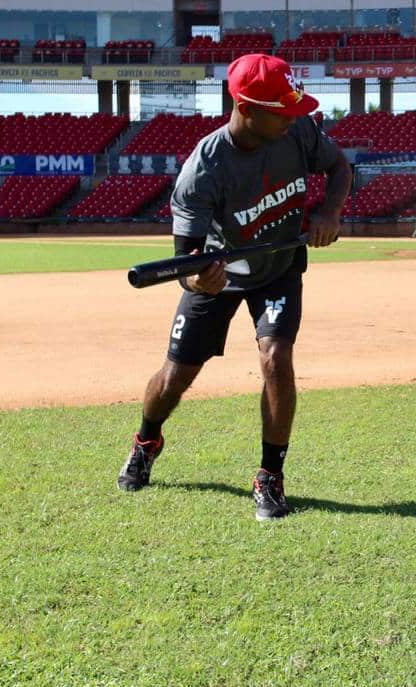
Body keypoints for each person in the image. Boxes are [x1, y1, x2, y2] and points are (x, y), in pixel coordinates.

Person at [117, 53, 354, 518]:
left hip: (280, 265)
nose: (292, 117)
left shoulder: (299, 131)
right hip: (220, 280)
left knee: (276, 356)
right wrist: (200, 279)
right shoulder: (203, 170)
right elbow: (186, 262)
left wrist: (330, 211)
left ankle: (270, 476)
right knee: (176, 376)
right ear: (246, 108)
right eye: (280, 110)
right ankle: (147, 439)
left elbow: (340, 168)